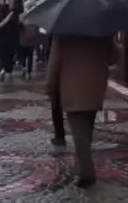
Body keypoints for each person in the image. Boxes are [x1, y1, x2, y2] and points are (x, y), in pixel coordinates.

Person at [46, 34, 118, 188]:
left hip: (71, 87)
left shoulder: (63, 34)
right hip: (95, 85)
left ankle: (86, 171)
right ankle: (81, 163)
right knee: (87, 127)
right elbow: (113, 58)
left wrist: (51, 88)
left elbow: (54, 64)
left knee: (79, 131)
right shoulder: (102, 31)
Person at [0, 4, 19, 81]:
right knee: (9, 58)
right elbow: (16, 30)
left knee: (1, 58)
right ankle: (7, 71)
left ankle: (1, 70)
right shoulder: (12, 18)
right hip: (10, 41)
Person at [18, 0, 40, 78]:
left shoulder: (21, 16)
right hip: (32, 39)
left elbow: (19, 27)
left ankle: (23, 67)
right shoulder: (36, 16)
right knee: (30, 55)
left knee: (23, 55)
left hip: (23, 38)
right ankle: (29, 71)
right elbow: (37, 28)